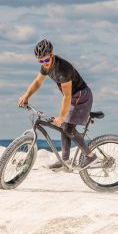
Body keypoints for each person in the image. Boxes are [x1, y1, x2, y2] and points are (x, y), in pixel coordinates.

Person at [18, 39, 98, 170]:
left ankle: (90, 156)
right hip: (73, 97)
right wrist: (26, 96)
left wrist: (61, 116)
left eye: (46, 60)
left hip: (81, 96)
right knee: (64, 127)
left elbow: (67, 96)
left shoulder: (62, 69)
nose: (44, 63)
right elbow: (38, 82)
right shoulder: (45, 66)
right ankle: (64, 161)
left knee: (68, 128)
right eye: (40, 61)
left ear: (52, 54)